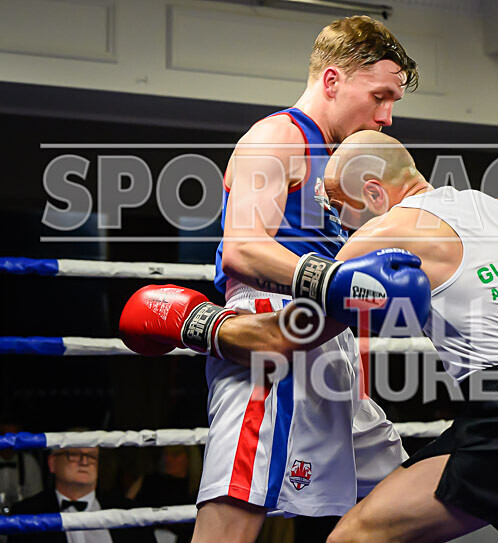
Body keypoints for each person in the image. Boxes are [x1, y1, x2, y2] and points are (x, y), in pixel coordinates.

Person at [121, 131, 498, 542]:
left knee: (353, 536)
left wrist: (200, 325)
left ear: (374, 192)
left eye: (338, 206)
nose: (336, 222)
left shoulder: (384, 234)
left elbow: (289, 338)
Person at [122, 15, 420, 543]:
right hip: (269, 339)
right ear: (332, 81)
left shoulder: (340, 162)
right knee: (233, 523)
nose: (387, 116)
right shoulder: (277, 135)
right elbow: (242, 246)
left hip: (327, 342)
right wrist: (337, 282)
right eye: (379, 96)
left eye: (393, 100)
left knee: (413, 510)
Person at [9, 447, 156, 543]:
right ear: (52, 463)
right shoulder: (26, 515)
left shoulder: (132, 515)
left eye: (92, 456)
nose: (85, 461)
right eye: (74, 455)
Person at [0, 423, 43, 516]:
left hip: (22, 518)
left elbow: (37, 497)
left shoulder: (29, 462)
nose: (8, 443)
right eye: (5, 436)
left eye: (13, 438)